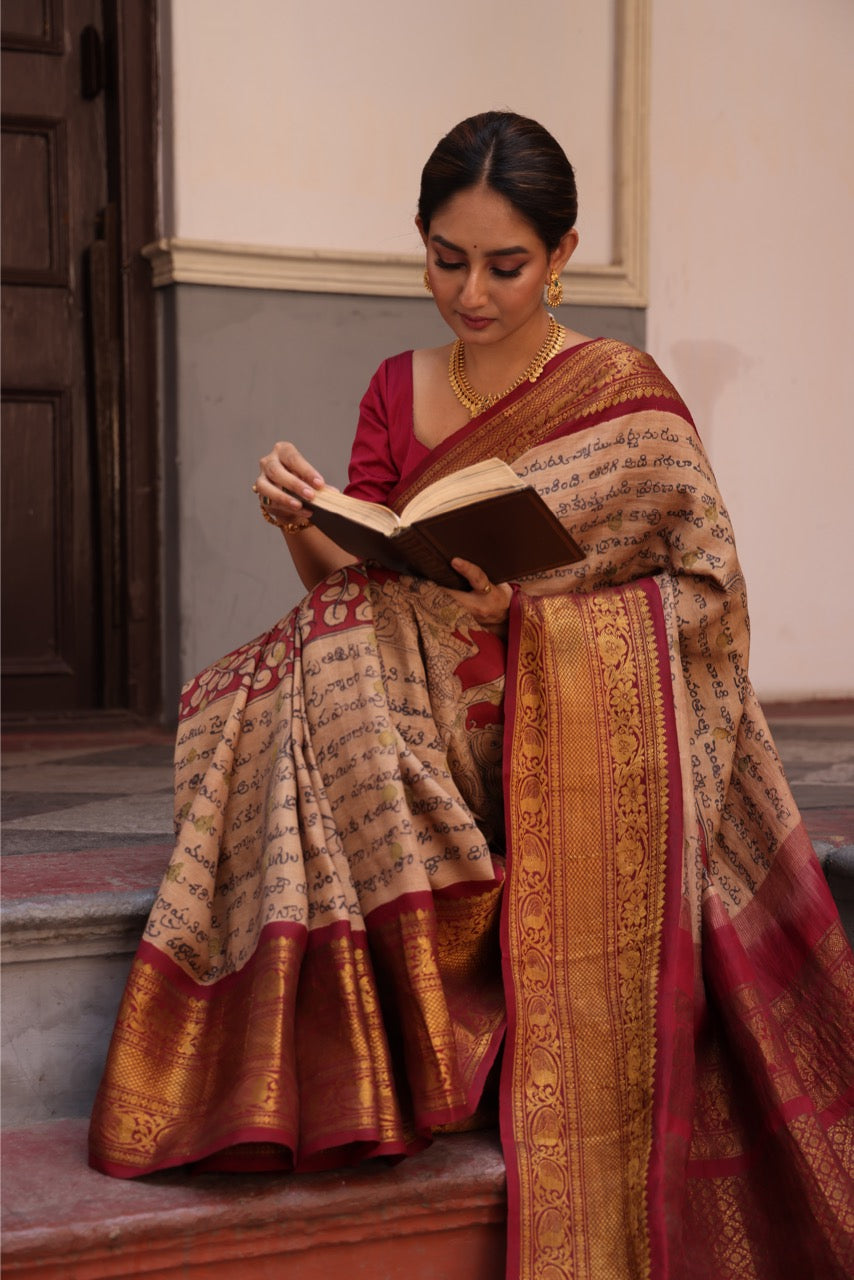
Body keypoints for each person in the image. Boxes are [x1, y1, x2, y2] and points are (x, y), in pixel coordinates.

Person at [90, 113, 853, 1278]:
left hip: (564, 702)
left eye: (505, 265)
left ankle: (422, 1024)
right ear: (420, 242)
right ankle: (388, 1034)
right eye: (446, 259)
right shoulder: (396, 386)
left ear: (561, 254)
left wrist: (535, 623)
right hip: (404, 675)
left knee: (334, 654)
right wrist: (307, 524)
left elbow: (705, 595)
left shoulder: (622, 392)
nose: (472, 293)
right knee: (332, 631)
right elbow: (361, 574)